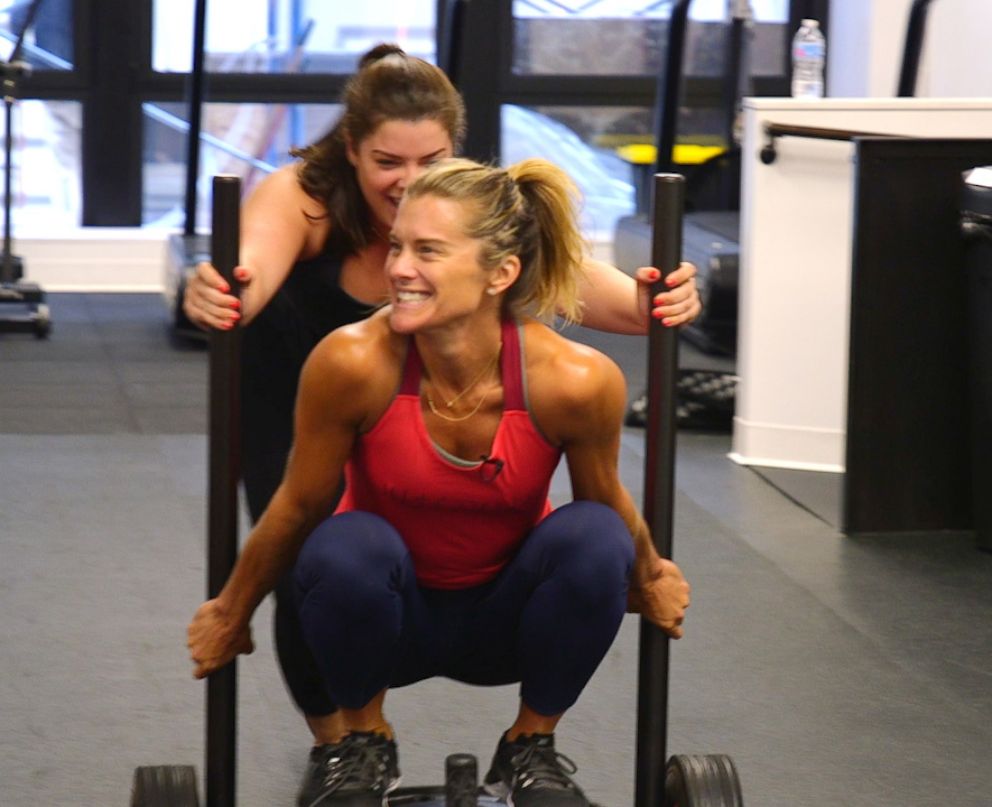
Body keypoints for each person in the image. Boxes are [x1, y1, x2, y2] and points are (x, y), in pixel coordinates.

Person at [182, 43, 700, 801]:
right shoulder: (313, 214)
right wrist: (230, 609)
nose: (410, 181)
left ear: (499, 272)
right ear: (352, 149)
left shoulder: (551, 341)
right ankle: (351, 746)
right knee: (319, 542)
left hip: (497, 602)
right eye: (389, 163)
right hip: (313, 378)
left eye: (425, 248)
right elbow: (251, 271)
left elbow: (562, 272)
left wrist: (661, 302)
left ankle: (531, 745)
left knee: (598, 540)